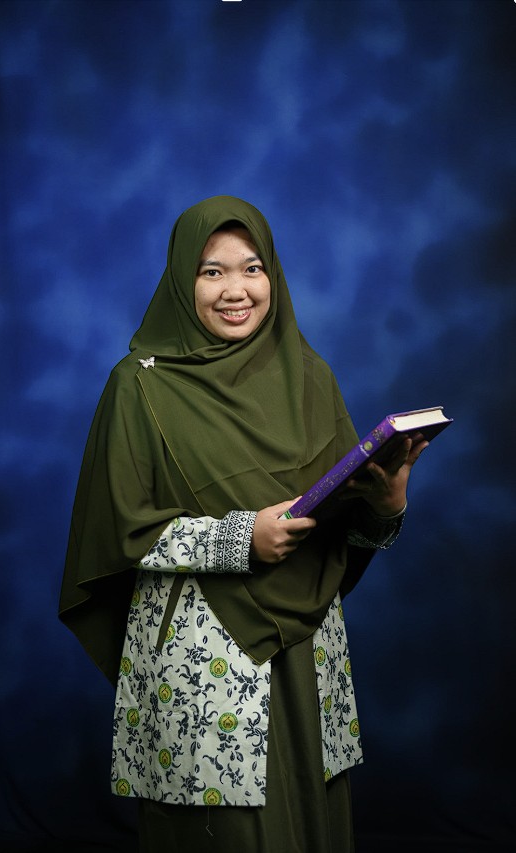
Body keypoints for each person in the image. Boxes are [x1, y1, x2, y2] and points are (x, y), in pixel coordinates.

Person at [59, 195, 426, 853]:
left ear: (272, 275)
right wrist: (240, 538)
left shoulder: (310, 377)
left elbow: (343, 536)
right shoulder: (139, 387)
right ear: (183, 280)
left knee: (311, 822)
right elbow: (118, 534)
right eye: (212, 272)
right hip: (207, 657)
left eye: (252, 268)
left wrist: (386, 505)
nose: (236, 290)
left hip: (307, 655)